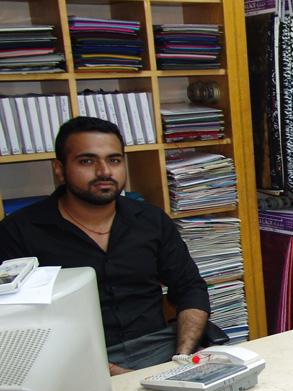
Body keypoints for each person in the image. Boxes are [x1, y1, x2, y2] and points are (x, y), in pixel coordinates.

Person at [0, 117, 211, 374]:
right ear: (59, 169)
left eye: (114, 160)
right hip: (73, 362)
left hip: (160, 350)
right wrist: (109, 371)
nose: (104, 172)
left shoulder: (150, 219)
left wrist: (182, 357)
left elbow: (190, 288)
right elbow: (20, 321)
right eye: (87, 161)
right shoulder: (19, 231)